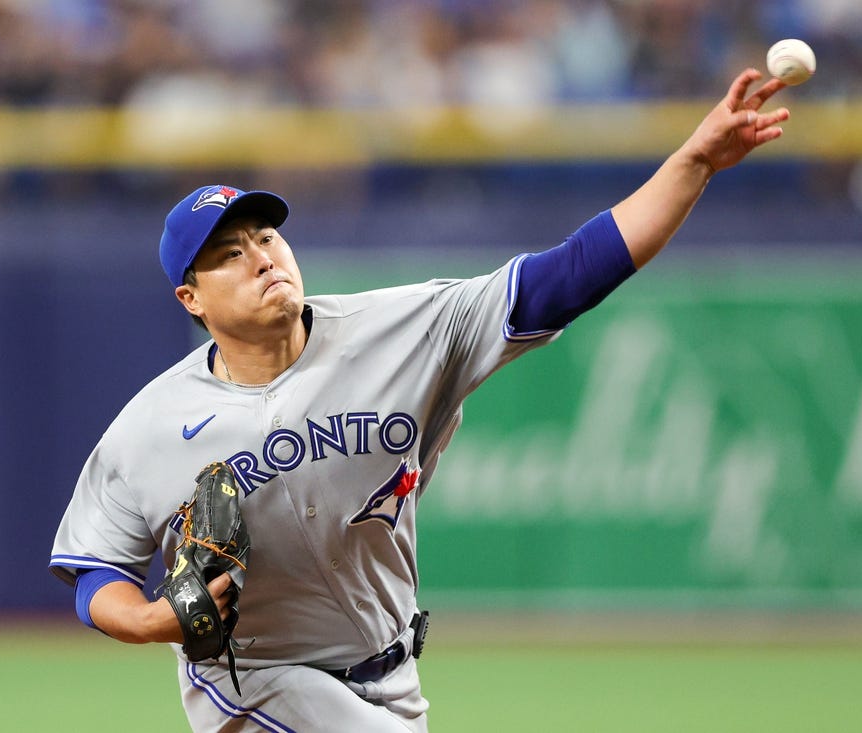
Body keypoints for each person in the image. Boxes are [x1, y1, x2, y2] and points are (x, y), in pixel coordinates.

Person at [50, 68, 789, 732]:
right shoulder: (151, 425)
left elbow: (565, 278)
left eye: (267, 235)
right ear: (191, 298)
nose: (262, 257)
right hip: (250, 682)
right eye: (227, 254)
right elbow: (94, 569)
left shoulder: (402, 330)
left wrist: (691, 163)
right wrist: (149, 620)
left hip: (391, 675)